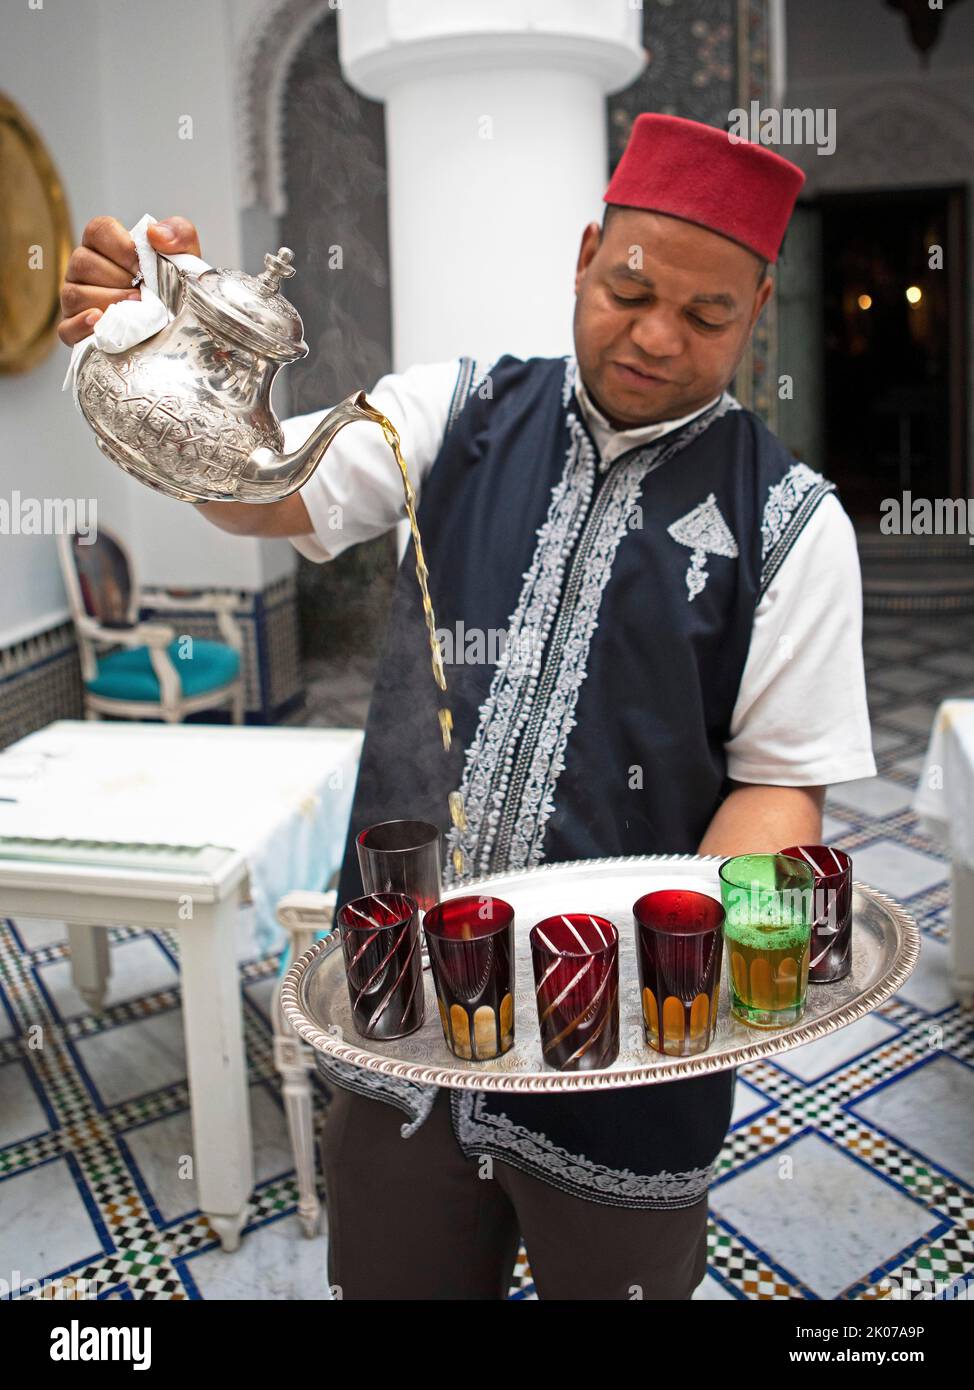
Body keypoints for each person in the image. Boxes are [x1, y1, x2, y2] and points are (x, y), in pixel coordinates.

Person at [59, 113, 876, 1300]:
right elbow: (260, 495)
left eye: (705, 317)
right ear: (585, 251)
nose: (653, 336)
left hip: (626, 1061)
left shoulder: (792, 522)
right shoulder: (454, 408)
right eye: (627, 288)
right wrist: (158, 356)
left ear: (757, 310)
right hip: (398, 1025)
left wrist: (681, 983)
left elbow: (775, 784)